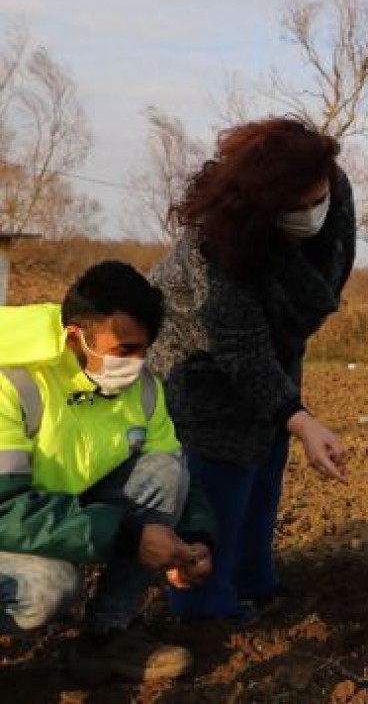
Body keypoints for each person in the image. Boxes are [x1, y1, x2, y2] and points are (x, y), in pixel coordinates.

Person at [148, 116, 356, 622]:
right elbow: (239, 349)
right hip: (196, 354)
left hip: (276, 339)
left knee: (266, 457)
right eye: (296, 207)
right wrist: (302, 416)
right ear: (261, 206)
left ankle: (252, 576)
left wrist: (291, 415)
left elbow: (331, 265)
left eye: (316, 201)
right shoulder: (214, 246)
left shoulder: (332, 187)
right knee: (220, 472)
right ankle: (204, 604)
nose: (312, 213)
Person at [0, 261, 215, 682]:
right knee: (46, 585)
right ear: (77, 335)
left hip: (50, 513)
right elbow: (3, 509)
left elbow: (175, 475)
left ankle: (107, 636)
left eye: (143, 350)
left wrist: (196, 540)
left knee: (164, 472)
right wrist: (127, 536)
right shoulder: (13, 381)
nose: (135, 365)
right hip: (11, 516)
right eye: (124, 350)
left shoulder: (144, 391)